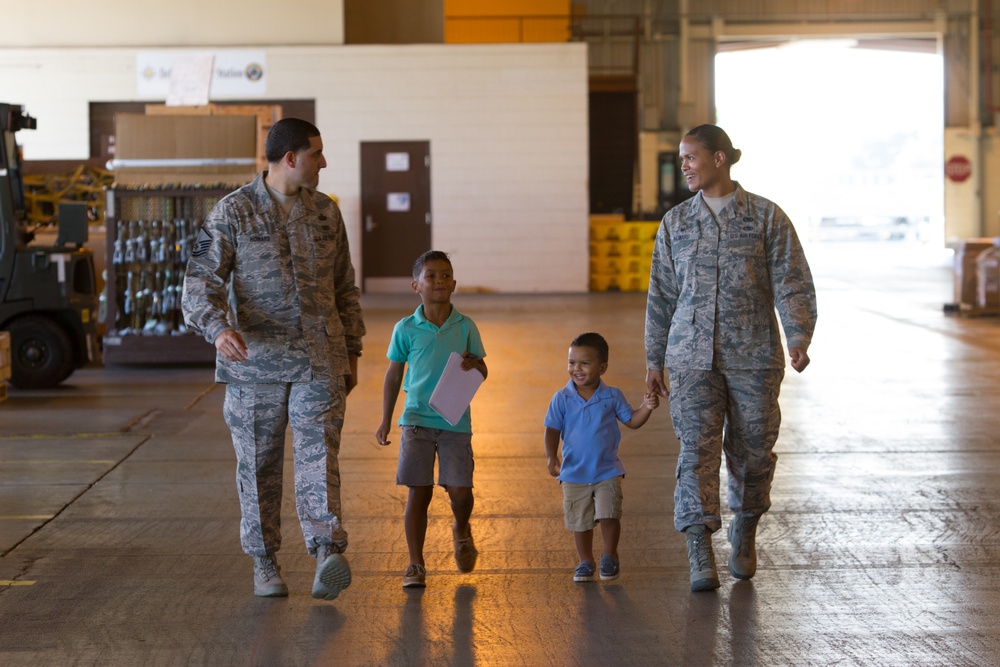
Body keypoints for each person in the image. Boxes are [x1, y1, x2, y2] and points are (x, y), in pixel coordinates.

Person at [181, 118, 365, 601]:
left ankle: (327, 551)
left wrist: (353, 351)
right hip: (255, 365)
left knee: (318, 458)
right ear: (290, 159)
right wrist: (217, 327)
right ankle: (264, 560)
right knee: (259, 464)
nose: (324, 163)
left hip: (318, 360)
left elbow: (345, 286)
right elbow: (200, 282)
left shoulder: (326, 214)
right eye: (317, 154)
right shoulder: (232, 213)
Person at [644, 124, 817, 592]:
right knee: (696, 450)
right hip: (690, 357)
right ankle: (699, 546)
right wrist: (653, 359)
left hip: (754, 355)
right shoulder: (676, 222)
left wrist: (798, 334)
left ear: (719, 159)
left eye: (691, 156)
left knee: (754, 450)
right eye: (681, 158)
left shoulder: (765, 217)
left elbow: (792, 279)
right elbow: (661, 294)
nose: (684, 165)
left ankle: (746, 522)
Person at [375, 250, 488, 589]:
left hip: (455, 420)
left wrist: (475, 366)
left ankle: (461, 527)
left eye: (445, 275)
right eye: (431, 276)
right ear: (416, 285)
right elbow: (394, 375)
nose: (439, 281)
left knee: (460, 491)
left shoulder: (465, 326)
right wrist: (385, 420)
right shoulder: (406, 328)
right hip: (416, 421)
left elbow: (483, 369)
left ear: (454, 283)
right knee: (418, 493)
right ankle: (415, 564)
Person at [544, 332, 659, 583]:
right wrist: (552, 457)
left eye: (584, 363)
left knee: (609, 514)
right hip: (574, 474)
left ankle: (609, 554)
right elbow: (552, 430)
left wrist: (647, 407)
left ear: (602, 367)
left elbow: (632, 421)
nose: (576, 368)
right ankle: (585, 561)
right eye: (572, 362)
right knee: (580, 522)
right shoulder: (561, 398)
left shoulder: (612, 396)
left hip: (607, 470)